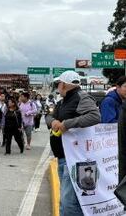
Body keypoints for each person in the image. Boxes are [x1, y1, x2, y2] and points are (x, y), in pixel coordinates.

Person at [49, 70, 100, 216]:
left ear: (64, 84)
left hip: (75, 159)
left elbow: (95, 116)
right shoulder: (62, 101)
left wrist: (67, 124)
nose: (57, 86)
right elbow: (49, 116)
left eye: (58, 83)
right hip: (63, 157)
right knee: (67, 201)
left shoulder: (81, 97)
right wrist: (53, 122)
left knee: (69, 204)